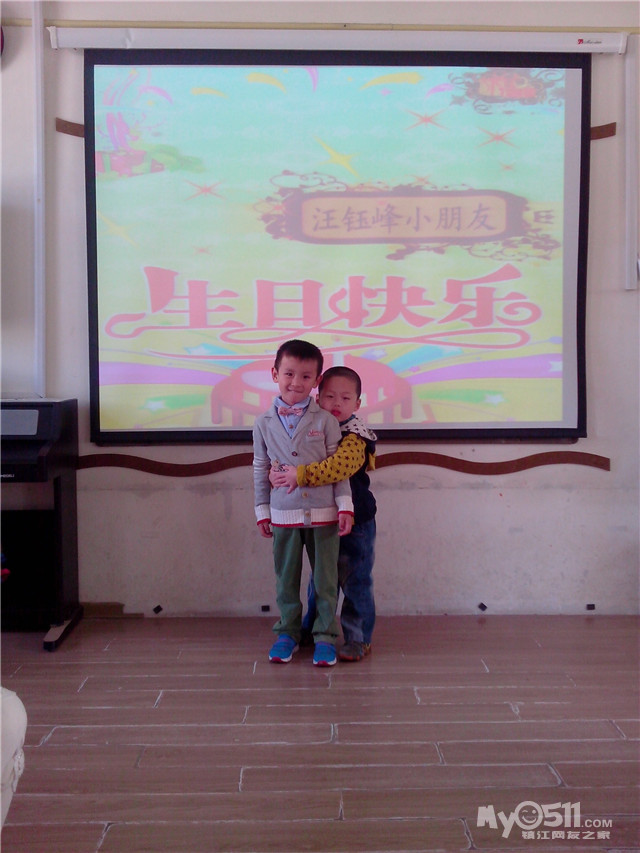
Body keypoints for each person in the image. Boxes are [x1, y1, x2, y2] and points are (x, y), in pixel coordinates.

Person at [253, 340, 354, 667]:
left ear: (316, 380)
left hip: (325, 514)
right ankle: (288, 633)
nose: (296, 382)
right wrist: (262, 510)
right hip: (283, 513)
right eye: (289, 374)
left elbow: (338, 469)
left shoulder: (326, 420)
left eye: (306, 376)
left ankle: (325, 635)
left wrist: (345, 506)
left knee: (326, 580)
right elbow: (260, 467)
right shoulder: (263, 422)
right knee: (286, 578)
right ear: (274, 374)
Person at [270, 366, 377, 663]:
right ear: (318, 398)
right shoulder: (312, 426)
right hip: (321, 518)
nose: (336, 403)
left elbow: (338, 468)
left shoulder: (356, 435)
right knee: (321, 578)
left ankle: (358, 637)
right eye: (329, 396)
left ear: (357, 403)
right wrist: (277, 473)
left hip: (356, 521)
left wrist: (299, 475)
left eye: (345, 398)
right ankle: (316, 628)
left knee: (355, 580)